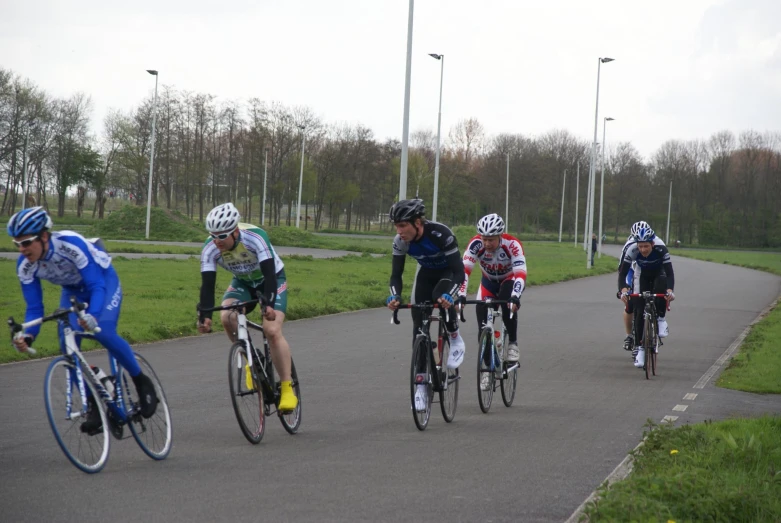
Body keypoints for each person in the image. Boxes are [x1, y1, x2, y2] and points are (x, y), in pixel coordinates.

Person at [7, 206, 158, 434]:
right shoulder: (25, 266)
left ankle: (141, 381)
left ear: (44, 236)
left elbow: (96, 285)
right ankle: (94, 403)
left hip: (102, 283)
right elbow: (35, 308)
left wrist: (93, 316)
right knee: (68, 346)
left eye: (26, 242)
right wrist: (28, 336)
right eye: (17, 244)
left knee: (102, 331)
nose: (22, 249)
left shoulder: (70, 244)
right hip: (72, 291)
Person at [197, 202, 298, 412]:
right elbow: (207, 285)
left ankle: (287, 387)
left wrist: (268, 304)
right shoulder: (209, 248)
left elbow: (270, 274)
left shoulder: (256, 237)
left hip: (272, 281)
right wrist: (204, 315)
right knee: (226, 317)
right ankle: (251, 361)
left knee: (271, 330)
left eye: (222, 236)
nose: (217, 241)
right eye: (213, 235)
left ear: (235, 231)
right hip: (243, 282)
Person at [385, 199, 466, 412]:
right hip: (426, 274)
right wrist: (394, 296)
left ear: (417, 222)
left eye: (402, 225)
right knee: (418, 325)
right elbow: (396, 275)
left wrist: (451, 295)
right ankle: (421, 385)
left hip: (448, 273)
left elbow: (460, 272)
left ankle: (455, 337)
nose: (399, 230)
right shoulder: (400, 241)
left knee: (440, 295)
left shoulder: (441, 234)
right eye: (396, 226)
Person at [458, 213, 526, 391]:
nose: (487, 243)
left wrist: (515, 296)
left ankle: (512, 343)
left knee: (507, 304)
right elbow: (464, 270)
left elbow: (520, 274)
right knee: (482, 329)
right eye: (485, 239)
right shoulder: (476, 244)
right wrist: (461, 295)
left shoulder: (513, 245)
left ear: (500, 236)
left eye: (491, 240)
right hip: (488, 283)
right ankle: (487, 371)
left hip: (508, 280)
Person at [618, 222, 675, 368]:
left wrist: (669, 290)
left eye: (646, 246)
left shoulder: (661, 247)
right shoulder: (631, 248)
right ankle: (640, 348)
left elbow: (669, 273)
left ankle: (661, 319)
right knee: (637, 307)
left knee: (661, 288)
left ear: (652, 244)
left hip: (658, 272)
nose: (643, 250)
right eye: (640, 246)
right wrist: (623, 290)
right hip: (640, 273)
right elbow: (623, 272)